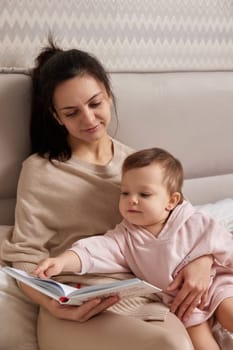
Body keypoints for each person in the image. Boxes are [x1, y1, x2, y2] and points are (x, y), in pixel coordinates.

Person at [1, 38, 214, 350]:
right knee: (171, 345)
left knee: (179, 343)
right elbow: (24, 257)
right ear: (56, 116)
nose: (88, 120)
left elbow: (185, 223)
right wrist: (50, 303)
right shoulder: (40, 171)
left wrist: (203, 260)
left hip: (138, 295)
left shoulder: (139, 164)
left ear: (109, 96)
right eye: (72, 112)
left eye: (95, 104)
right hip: (70, 304)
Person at [34, 147, 233, 350]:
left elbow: (227, 246)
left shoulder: (194, 221)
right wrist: (61, 262)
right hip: (183, 306)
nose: (132, 200)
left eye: (144, 194)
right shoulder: (125, 237)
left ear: (171, 201)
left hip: (217, 286)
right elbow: (92, 251)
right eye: (125, 193)